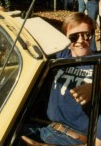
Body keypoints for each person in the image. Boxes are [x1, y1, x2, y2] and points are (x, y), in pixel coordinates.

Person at [21, 12, 96, 145]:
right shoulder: (60, 56)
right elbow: (30, 38)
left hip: (73, 139)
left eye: (86, 35)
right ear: (66, 38)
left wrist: (97, 87)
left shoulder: (100, 62)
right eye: (74, 37)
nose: (81, 40)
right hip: (49, 129)